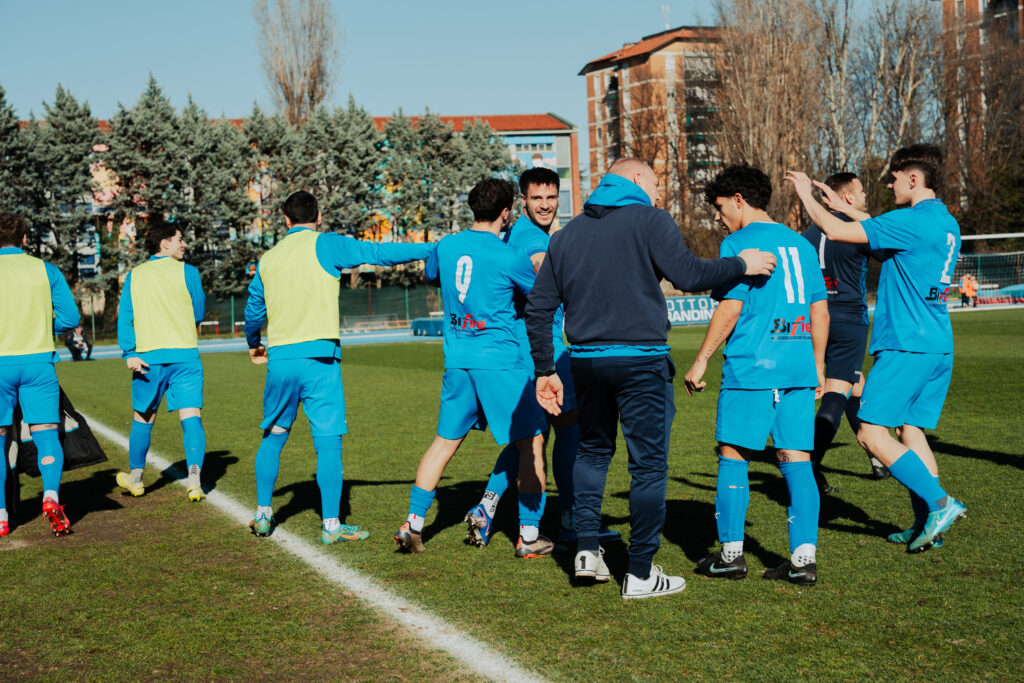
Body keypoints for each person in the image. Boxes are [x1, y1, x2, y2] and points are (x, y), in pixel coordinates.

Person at [526, 158, 777, 599]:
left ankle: (587, 551)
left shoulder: (566, 236)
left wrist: (546, 368)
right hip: (641, 362)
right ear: (637, 180)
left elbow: (539, 307)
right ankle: (639, 572)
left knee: (592, 453)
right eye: (657, 183)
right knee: (647, 466)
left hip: (586, 363)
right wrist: (742, 264)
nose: (659, 193)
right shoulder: (651, 219)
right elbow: (690, 274)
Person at [786, 143, 966, 553]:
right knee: (911, 431)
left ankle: (940, 504)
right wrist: (841, 203)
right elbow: (876, 226)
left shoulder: (911, 221)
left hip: (907, 344)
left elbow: (833, 231)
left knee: (870, 432)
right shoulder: (945, 222)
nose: (888, 183)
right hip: (938, 343)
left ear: (914, 179)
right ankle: (927, 524)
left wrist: (807, 197)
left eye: (895, 177)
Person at [245, 191, 432, 545]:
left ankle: (263, 515)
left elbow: (254, 310)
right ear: (318, 217)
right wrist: (429, 248)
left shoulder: (268, 258)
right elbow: (378, 254)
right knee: (328, 443)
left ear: (285, 221)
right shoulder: (326, 244)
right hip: (320, 361)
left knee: (273, 437)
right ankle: (331, 526)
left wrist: (254, 342)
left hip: (281, 360)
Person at [685, 165, 829, 586]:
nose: (717, 215)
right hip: (799, 366)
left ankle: (731, 556)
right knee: (797, 461)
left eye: (718, 206)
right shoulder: (801, 244)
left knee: (734, 455)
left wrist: (701, 360)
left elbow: (730, 308)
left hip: (753, 366)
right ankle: (803, 561)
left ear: (739, 200)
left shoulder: (739, 243)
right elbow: (820, 311)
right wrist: (817, 365)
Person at [394, 178, 552, 557]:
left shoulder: (446, 246)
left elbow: (429, 274)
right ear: (506, 212)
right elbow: (542, 294)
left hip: (458, 361)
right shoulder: (507, 255)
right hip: (499, 363)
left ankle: (413, 523)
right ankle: (529, 536)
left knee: (444, 444)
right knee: (531, 443)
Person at [464, 167, 619, 547]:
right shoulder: (532, 237)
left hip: (521, 349)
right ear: (523, 201)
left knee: (530, 437)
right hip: (542, 347)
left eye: (551, 197)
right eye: (537, 198)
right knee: (569, 427)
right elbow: (539, 265)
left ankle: (486, 507)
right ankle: (571, 520)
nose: (546, 205)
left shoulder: (521, 232)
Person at [802, 172, 890, 488]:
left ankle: (878, 456)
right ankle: (809, 466)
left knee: (855, 382)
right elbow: (887, 245)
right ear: (848, 198)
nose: (865, 195)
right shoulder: (856, 230)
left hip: (813, 319)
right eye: (862, 191)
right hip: (848, 318)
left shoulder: (808, 234)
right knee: (836, 390)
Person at [0, 213, 80, 536]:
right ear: (23, 240)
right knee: (47, 434)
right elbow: (70, 317)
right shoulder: (45, 270)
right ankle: (51, 496)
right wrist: (43, 327)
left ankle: (2, 516)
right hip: (38, 363)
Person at [115, 222, 208, 502]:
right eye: (180, 239)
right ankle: (194, 480)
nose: (184, 244)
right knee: (191, 418)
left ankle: (137, 480)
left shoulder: (135, 275)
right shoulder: (189, 272)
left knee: (143, 419)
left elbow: (125, 316)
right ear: (163, 244)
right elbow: (198, 311)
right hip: (185, 356)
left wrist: (129, 353)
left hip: (148, 359)